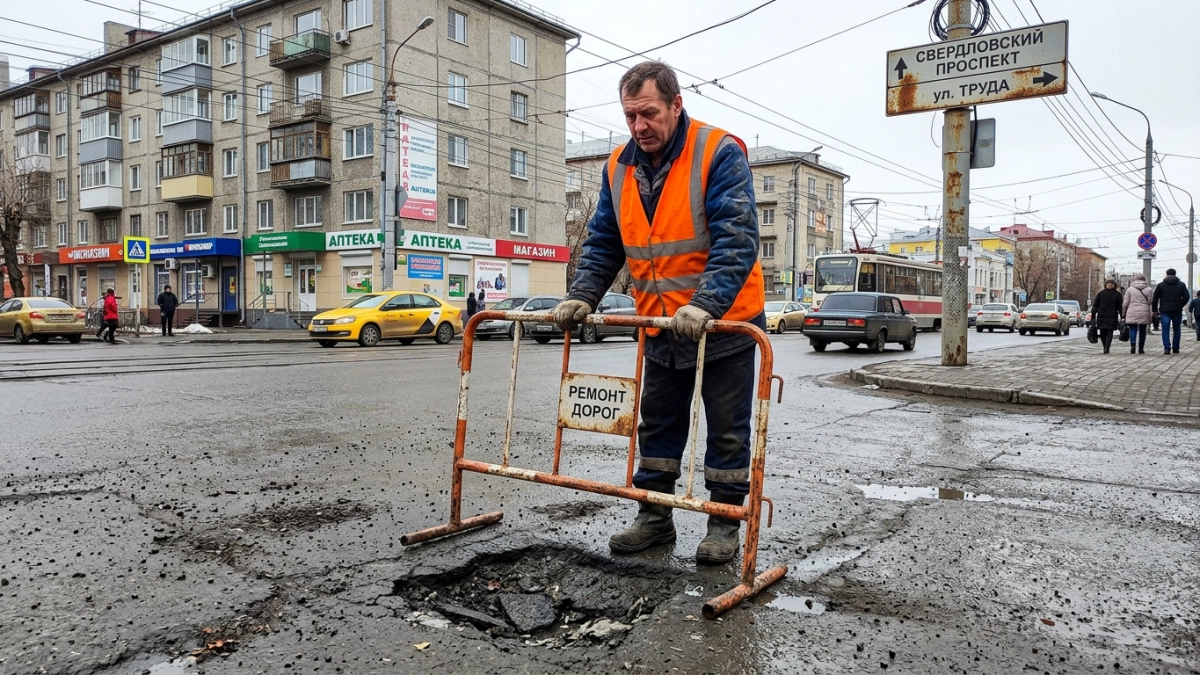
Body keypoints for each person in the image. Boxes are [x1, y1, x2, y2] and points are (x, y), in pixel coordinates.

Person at [553, 61, 766, 565]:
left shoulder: (718, 152)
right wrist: (585, 293)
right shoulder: (617, 167)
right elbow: (606, 239)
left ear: (675, 104)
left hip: (724, 324)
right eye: (629, 116)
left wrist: (706, 305)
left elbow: (736, 239)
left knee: (728, 429)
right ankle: (653, 517)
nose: (638, 126)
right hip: (661, 324)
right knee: (657, 424)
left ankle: (724, 522)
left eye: (648, 113)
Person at [1151, 267, 1190, 354]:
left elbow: (1155, 298)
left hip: (1165, 310)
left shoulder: (1161, 285)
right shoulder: (1181, 285)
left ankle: (1167, 348)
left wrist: (1154, 310)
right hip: (1177, 309)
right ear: (1175, 274)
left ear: (1167, 274)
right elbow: (1187, 296)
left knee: (1165, 328)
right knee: (1177, 329)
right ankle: (1176, 348)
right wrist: (1181, 304)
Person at [1121, 273, 1153, 354]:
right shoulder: (1149, 289)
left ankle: (1133, 346)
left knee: (1133, 330)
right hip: (1144, 311)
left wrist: (1123, 313)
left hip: (1132, 311)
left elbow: (1125, 303)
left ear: (1134, 280)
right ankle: (1141, 349)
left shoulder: (1130, 289)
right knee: (1142, 331)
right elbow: (1150, 301)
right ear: (1144, 280)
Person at [1090, 279, 1122, 354]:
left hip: (1102, 315)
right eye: (1108, 284)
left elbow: (1095, 306)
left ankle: (1105, 347)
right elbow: (1120, 307)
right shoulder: (1117, 294)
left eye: (1110, 284)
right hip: (1111, 316)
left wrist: (1093, 315)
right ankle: (1106, 347)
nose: (1109, 285)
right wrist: (1122, 316)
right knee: (1108, 332)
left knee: (1103, 333)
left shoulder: (1101, 294)